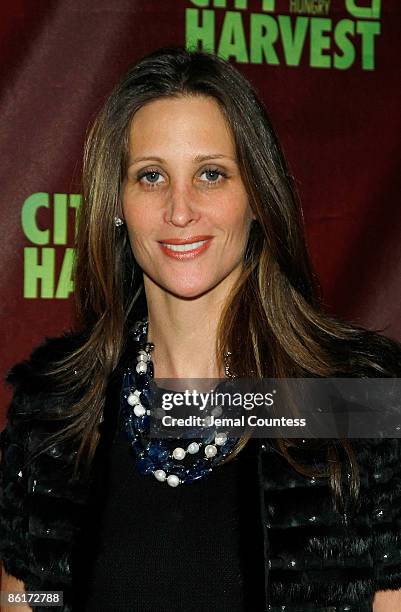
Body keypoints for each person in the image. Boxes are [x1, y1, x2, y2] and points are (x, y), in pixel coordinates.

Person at [1, 46, 401, 612]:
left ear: (258, 196)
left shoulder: (357, 402)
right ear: (117, 203)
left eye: (211, 174)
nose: (180, 209)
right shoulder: (59, 408)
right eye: (151, 176)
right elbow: (28, 601)